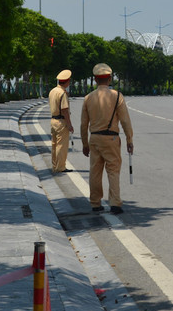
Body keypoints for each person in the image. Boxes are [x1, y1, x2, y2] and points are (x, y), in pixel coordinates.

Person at [80, 63, 134, 215]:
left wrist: (85, 143)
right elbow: (125, 121)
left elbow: (84, 124)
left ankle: (95, 203)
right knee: (113, 170)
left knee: (95, 171)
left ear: (95, 80)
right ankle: (115, 203)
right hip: (111, 139)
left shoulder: (88, 98)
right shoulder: (117, 96)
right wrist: (129, 139)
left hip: (95, 138)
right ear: (109, 79)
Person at [49, 69, 74, 173]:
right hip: (61, 121)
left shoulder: (53, 91)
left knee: (54, 145)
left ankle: (55, 166)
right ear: (67, 81)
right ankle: (61, 167)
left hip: (53, 120)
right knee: (61, 146)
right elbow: (64, 110)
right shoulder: (62, 93)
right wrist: (69, 125)